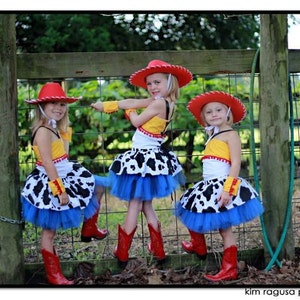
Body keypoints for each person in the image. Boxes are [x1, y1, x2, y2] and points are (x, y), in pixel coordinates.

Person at [91, 59, 193, 266]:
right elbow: (133, 102)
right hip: (150, 157)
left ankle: (122, 250)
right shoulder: (166, 102)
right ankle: (158, 248)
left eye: (157, 82)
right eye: (149, 83)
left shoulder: (157, 103)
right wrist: (109, 106)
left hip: (143, 159)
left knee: (135, 203)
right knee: (146, 204)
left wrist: (129, 112)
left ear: (170, 82)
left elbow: (136, 120)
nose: (153, 87)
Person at [21, 82, 108, 285]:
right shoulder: (42, 131)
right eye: (53, 103)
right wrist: (59, 190)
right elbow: (48, 162)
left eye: (62, 104)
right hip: (52, 180)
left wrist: (65, 133)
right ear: (41, 106)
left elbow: (64, 155)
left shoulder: (53, 127)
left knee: (99, 186)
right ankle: (54, 275)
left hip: (66, 172)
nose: (59, 108)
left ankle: (89, 229)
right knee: (49, 231)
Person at [174, 91, 264, 282]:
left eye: (218, 110)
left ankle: (230, 268)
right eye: (209, 112)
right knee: (188, 207)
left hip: (223, 185)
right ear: (204, 117)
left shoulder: (231, 135)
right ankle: (199, 245)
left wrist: (228, 190)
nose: (214, 114)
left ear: (228, 112)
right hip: (208, 184)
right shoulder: (214, 134)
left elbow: (235, 164)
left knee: (225, 230)